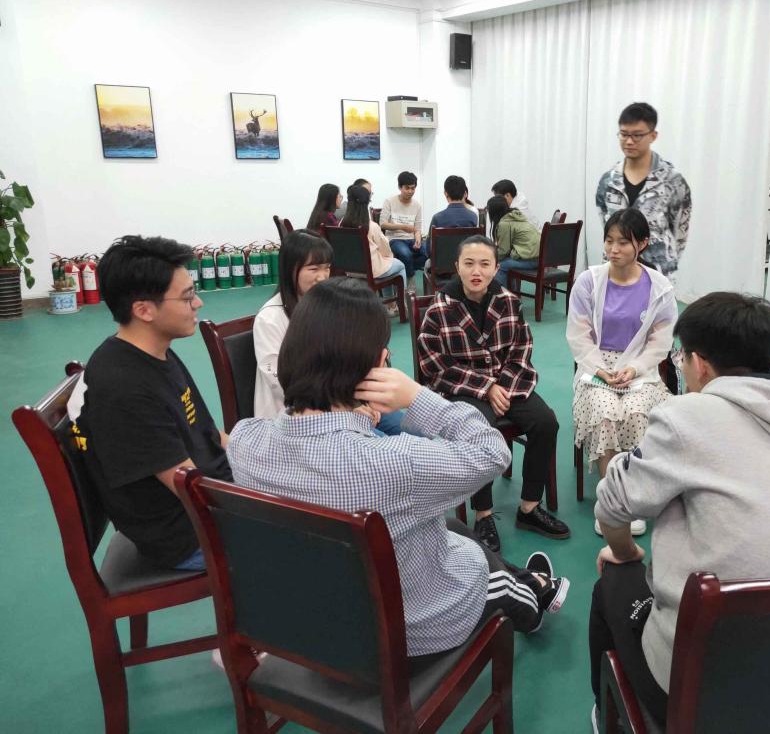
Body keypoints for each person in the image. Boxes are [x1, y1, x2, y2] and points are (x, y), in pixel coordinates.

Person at [228, 278, 570, 657]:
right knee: (487, 573)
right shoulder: (395, 462)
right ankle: (536, 596)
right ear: (376, 367)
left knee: (453, 529)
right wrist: (418, 396)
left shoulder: (245, 442)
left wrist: (353, 419)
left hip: (316, 622)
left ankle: (532, 582)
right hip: (411, 628)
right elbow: (492, 451)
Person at [589, 292, 770, 728]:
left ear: (700, 364)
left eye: (681, 356)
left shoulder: (687, 416)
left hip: (703, 683)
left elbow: (613, 504)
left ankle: (610, 715)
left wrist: (625, 551)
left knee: (612, 583)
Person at [67, 235, 232, 571]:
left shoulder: (155, 351)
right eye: (187, 296)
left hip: (205, 503)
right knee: (325, 528)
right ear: (143, 310)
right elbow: (192, 490)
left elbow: (209, 434)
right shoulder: (124, 388)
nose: (198, 303)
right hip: (192, 534)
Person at [417, 235, 570, 553]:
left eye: (485, 264)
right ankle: (483, 514)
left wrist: (503, 387)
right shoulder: (439, 309)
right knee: (478, 431)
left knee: (546, 423)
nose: (477, 271)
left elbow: (521, 350)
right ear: (457, 266)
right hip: (461, 388)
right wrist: (485, 387)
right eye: (469, 263)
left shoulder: (509, 302)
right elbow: (434, 365)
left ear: (496, 268)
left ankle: (529, 508)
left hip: (507, 383)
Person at [566, 208, 677, 537]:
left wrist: (635, 368)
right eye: (609, 241)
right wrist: (600, 369)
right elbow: (578, 336)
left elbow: (660, 341)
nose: (613, 250)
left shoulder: (659, 288)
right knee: (605, 413)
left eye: (623, 243)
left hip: (640, 368)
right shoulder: (588, 282)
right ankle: (612, 501)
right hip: (595, 366)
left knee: (637, 412)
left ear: (642, 244)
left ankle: (633, 499)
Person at [252, 229, 404, 436]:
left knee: (405, 427)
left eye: (327, 268)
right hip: (299, 417)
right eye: (313, 269)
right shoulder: (270, 319)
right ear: (289, 270)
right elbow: (281, 382)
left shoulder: (326, 306)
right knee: (383, 444)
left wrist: (361, 398)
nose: (322, 277)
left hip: (344, 400)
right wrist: (344, 407)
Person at [596, 102, 691, 278]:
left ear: (653, 136)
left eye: (637, 135)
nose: (629, 141)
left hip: (657, 273)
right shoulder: (609, 181)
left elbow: (680, 232)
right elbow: (606, 223)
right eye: (624, 134)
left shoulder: (672, 181)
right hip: (615, 272)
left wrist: (665, 261)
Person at [340, 184, 406, 313]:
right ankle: (399, 305)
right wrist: (388, 256)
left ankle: (391, 305)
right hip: (372, 270)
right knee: (398, 265)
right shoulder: (371, 226)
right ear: (366, 202)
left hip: (351, 270)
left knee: (386, 264)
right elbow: (385, 248)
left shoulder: (342, 223)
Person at [380, 171, 426, 276]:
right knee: (406, 254)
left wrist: (418, 240)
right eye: (407, 188)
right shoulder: (389, 201)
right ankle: (410, 278)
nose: (410, 191)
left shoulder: (417, 205)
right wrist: (402, 227)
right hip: (394, 239)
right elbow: (382, 224)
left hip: (411, 239)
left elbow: (417, 229)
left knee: (427, 252)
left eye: (413, 188)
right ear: (400, 187)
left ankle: (406, 270)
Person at [487, 195, 539, 288]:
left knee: (500, 265)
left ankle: (498, 292)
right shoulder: (516, 216)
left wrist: (487, 259)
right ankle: (510, 291)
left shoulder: (504, 224)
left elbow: (503, 251)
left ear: (494, 212)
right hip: (537, 258)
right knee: (505, 261)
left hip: (530, 260)